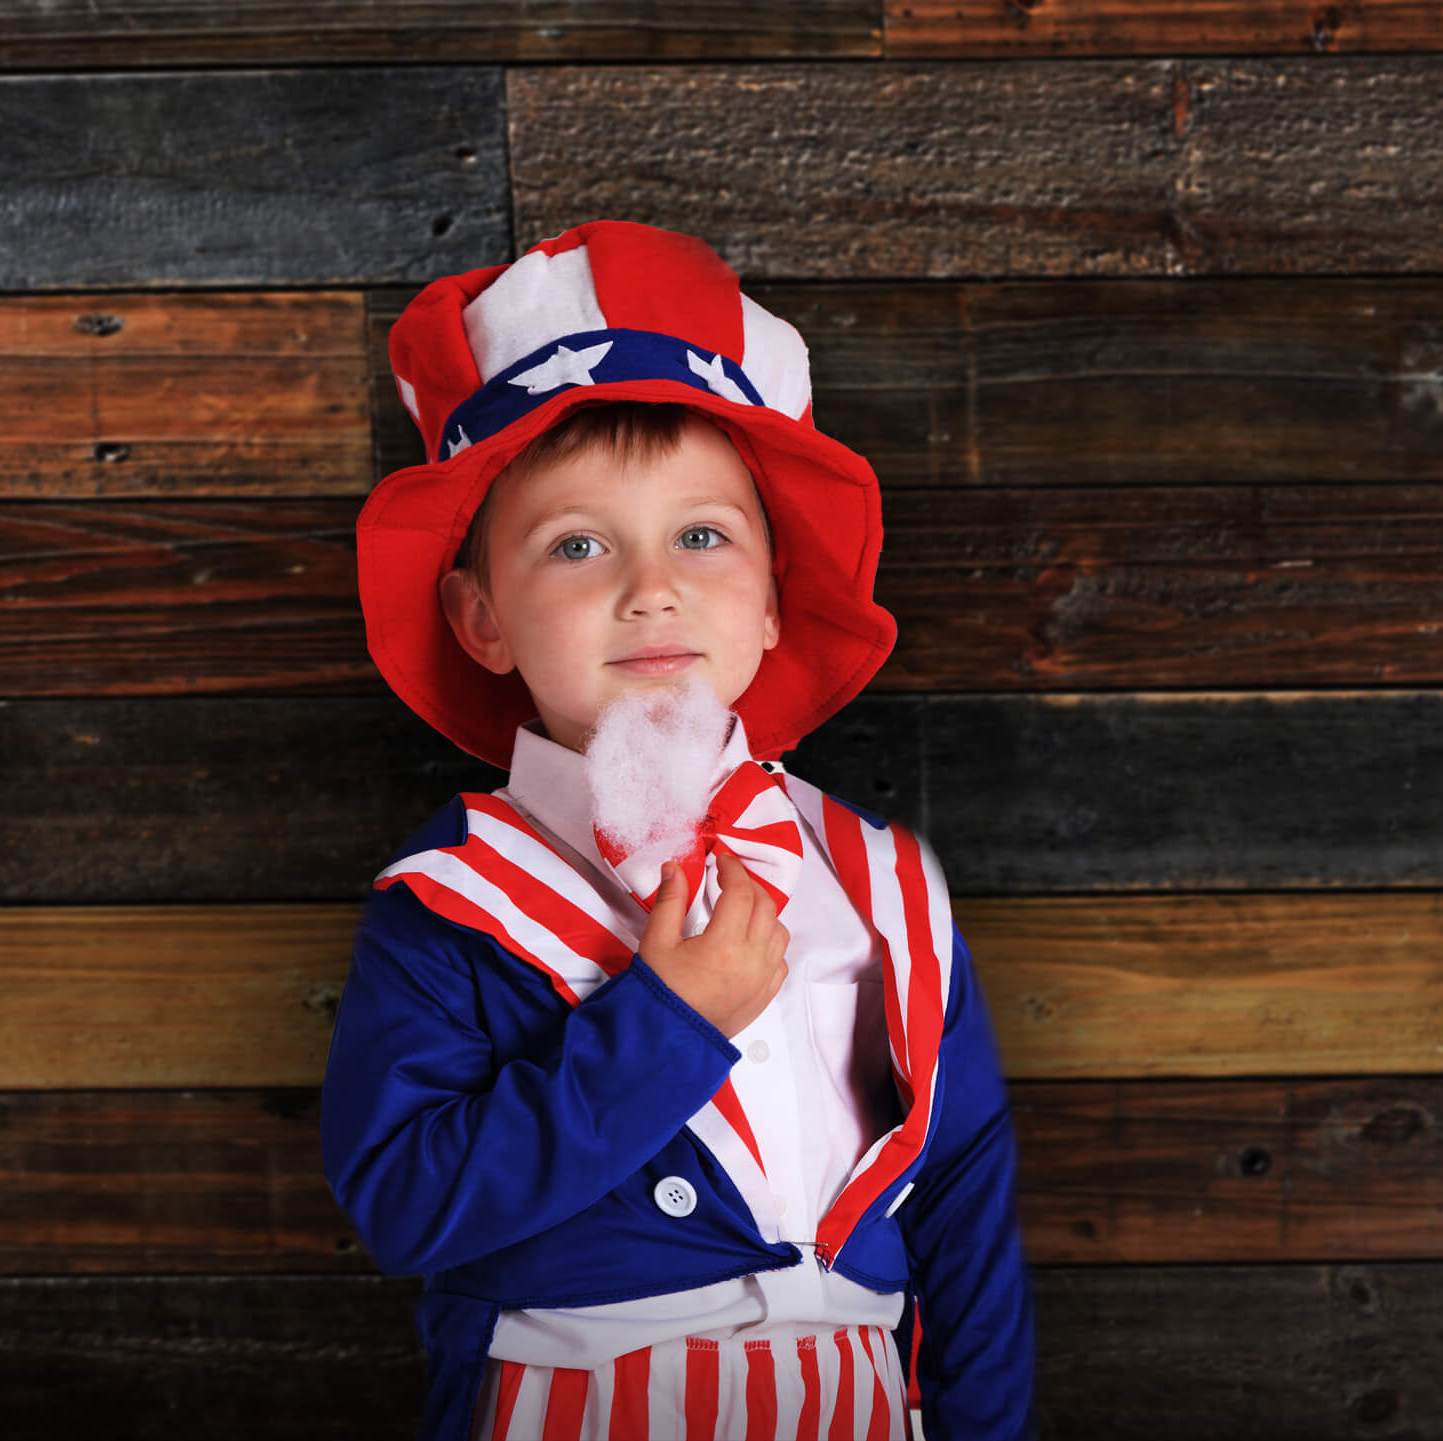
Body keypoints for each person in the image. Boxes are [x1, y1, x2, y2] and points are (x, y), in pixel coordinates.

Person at [320, 220, 1034, 1441]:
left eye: (701, 536)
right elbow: (405, 1204)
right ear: (481, 619)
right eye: (577, 544)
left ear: (772, 601)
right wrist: (666, 1027)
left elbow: (965, 1211)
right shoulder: (445, 901)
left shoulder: (883, 883)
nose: (650, 588)